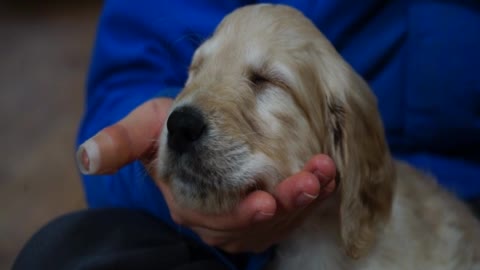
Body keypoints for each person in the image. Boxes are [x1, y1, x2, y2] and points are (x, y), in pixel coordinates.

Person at [13, 1, 480, 270]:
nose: (188, 110)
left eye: (264, 82)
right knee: (64, 258)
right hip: (221, 249)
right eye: (197, 69)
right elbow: (130, 75)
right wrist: (147, 161)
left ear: (342, 133)